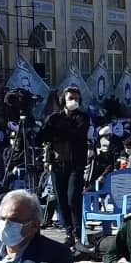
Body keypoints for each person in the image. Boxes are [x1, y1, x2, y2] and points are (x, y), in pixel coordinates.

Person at [35, 86, 90, 248]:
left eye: (76, 98)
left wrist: (57, 132)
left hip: (75, 165)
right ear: (63, 100)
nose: (74, 101)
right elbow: (42, 137)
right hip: (57, 165)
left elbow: (77, 134)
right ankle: (68, 232)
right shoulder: (54, 118)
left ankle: (78, 234)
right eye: (70, 98)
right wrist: (48, 128)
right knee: (61, 200)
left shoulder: (82, 117)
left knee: (73, 198)